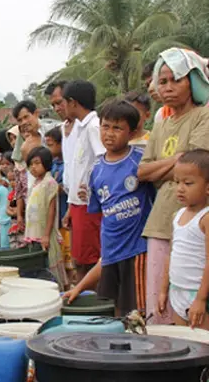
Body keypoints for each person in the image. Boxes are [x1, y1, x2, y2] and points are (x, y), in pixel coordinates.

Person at [137, 48, 209, 325]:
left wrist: (164, 167)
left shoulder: (204, 115)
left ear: (193, 81)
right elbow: (141, 171)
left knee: (198, 309)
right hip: (162, 219)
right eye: (162, 81)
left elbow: (201, 167)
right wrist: (178, 160)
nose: (168, 87)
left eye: (176, 79)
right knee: (159, 303)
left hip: (198, 223)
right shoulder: (161, 121)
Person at [64, 100, 153, 317]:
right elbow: (103, 216)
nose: (109, 133)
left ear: (131, 133)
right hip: (111, 253)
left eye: (117, 128)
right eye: (105, 126)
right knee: (118, 311)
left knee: (139, 312)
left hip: (138, 251)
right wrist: (78, 288)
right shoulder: (96, 171)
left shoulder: (140, 161)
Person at [158, 150, 209, 332]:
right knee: (184, 343)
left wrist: (201, 299)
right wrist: (164, 290)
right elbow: (171, 255)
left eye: (188, 183)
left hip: (197, 293)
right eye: (177, 182)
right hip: (177, 290)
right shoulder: (177, 215)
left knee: (202, 346)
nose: (180, 188)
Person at [61, 80, 105, 279]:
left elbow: (102, 160)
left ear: (72, 102)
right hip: (78, 204)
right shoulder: (79, 128)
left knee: (89, 258)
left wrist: (92, 189)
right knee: (79, 256)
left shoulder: (94, 126)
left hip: (89, 204)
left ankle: (93, 298)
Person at [25, 146, 68, 288]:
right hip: (33, 232)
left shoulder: (49, 183)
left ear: (46, 162)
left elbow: (51, 211)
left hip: (45, 232)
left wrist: (46, 235)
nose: (33, 167)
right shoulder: (35, 183)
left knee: (50, 264)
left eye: (37, 163)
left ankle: (58, 289)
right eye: (31, 164)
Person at [45, 126, 73, 281]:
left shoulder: (68, 164)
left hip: (65, 212)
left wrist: (53, 187)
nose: (48, 149)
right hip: (55, 216)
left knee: (69, 255)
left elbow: (64, 187)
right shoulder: (53, 164)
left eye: (51, 145)